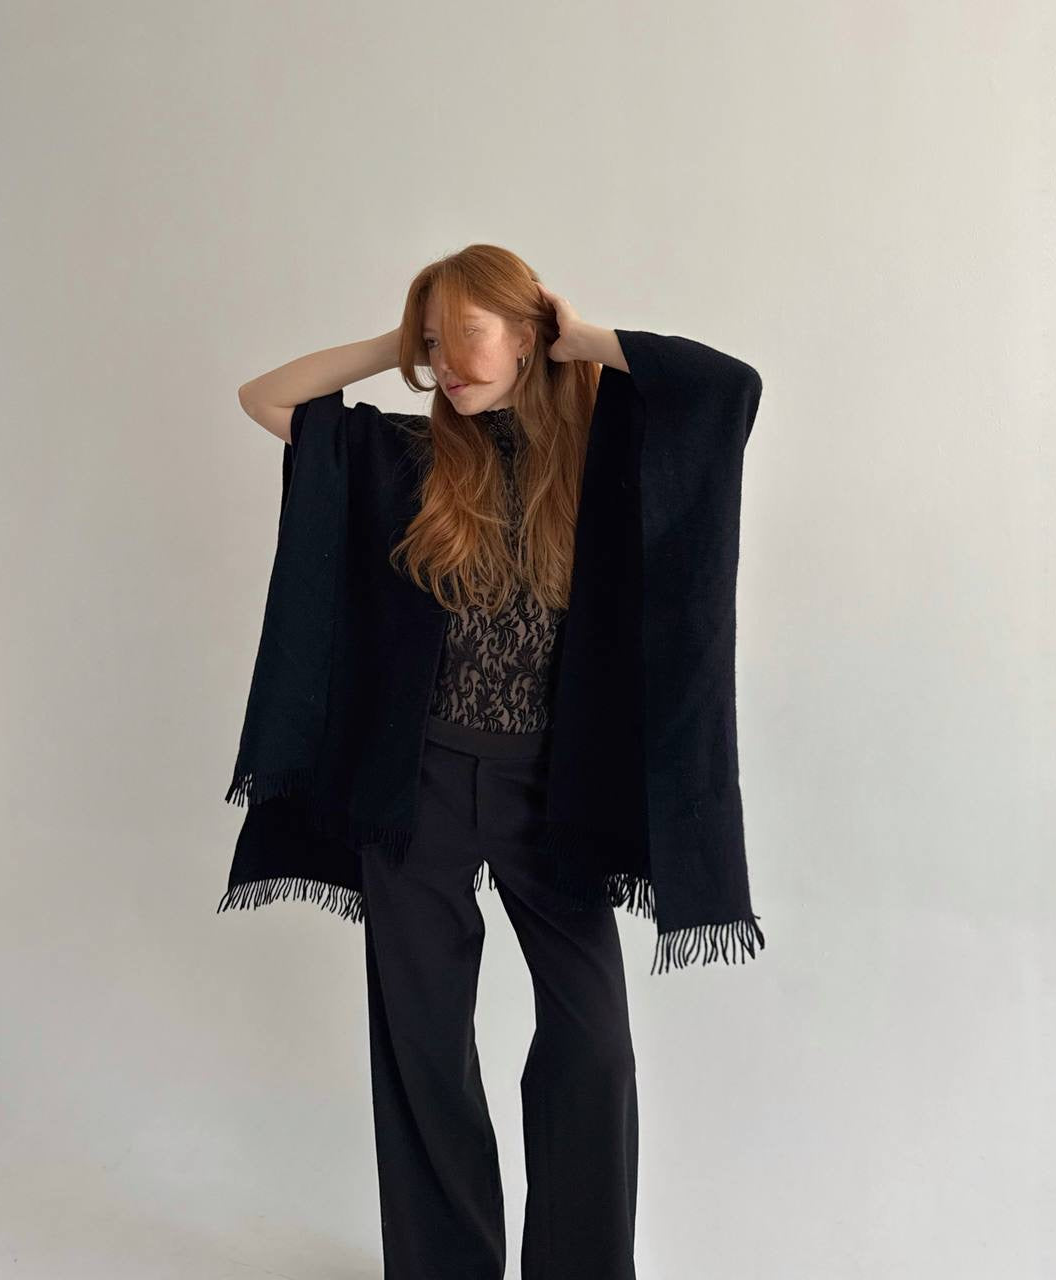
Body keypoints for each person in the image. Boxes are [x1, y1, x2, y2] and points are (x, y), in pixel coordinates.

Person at [235, 246, 640, 1279]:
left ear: (528, 334)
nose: (444, 360)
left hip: (549, 795)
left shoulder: (599, 460)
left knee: (593, 1045)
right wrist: (397, 344)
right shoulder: (405, 453)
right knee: (424, 1051)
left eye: (465, 332)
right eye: (431, 339)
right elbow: (265, 398)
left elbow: (730, 390)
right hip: (414, 787)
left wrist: (584, 338)